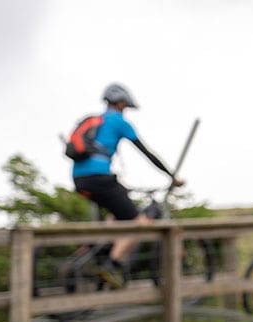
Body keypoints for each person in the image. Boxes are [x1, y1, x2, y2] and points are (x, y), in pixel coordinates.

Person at [71, 83, 183, 287]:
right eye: (126, 106)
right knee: (140, 223)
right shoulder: (119, 122)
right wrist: (172, 176)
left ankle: (93, 247)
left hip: (80, 179)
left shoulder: (97, 121)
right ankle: (111, 265)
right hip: (100, 178)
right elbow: (147, 153)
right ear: (121, 103)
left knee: (119, 212)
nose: (126, 109)